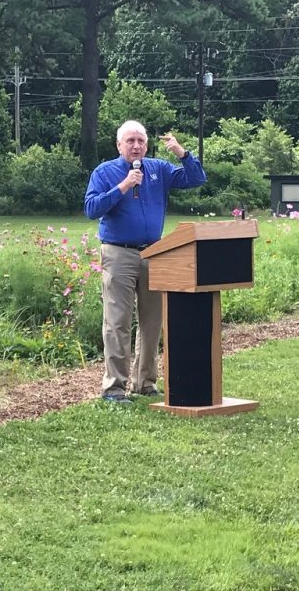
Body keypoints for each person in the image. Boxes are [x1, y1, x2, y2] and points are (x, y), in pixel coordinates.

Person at [84, 120, 207, 403]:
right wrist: (123, 186)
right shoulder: (105, 172)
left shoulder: (158, 170)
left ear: (147, 144)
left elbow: (196, 179)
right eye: (130, 141)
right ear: (119, 145)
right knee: (117, 321)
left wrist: (182, 153)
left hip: (154, 252)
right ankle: (114, 388)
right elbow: (91, 208)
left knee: (152, 322)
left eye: (141, 141)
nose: (136, 146)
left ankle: (145, 383)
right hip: (118, 253)